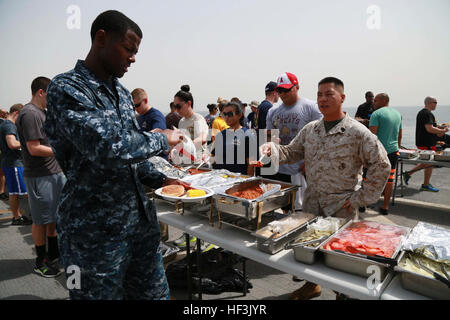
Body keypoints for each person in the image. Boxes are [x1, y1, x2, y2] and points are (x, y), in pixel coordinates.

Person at [44, 10, 185, 299]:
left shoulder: (121, 93)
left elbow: (132, 161)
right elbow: (109, 148)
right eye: (128, 49)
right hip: (91, 233)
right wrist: (161, 140)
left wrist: (166, 180)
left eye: (135, 52)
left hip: (139, 226)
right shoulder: (66, 87)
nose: (133, 58)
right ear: (101, 38)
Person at [260, 77, 390, 300]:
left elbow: (382, 164)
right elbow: (291, 153)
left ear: (342, 97)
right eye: (319, 94)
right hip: (312, 202)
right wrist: (272, 148)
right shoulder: (311, 129)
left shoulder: (357, 132)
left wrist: (362, 197)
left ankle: (343, 295)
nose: (323, 99)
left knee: (340, 257)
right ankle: (312, 286)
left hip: (342, 207)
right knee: (310, 251)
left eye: (329, 94)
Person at [16, 77, 65, 278]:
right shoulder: (29, 114)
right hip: (40, 175)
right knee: (40, 219)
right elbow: (33, 148)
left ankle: (53, 252)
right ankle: (40, 260)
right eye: (50, 95)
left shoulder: (42, 113)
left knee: (53, 216)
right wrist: (60, 150)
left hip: (53, 172)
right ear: (41, 92)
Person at [266, 72, 322, 211]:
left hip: (303, 167)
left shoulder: (311, 107)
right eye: (279, 90)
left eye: (286, 89)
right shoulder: (273, 111)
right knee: (284, 206)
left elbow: (324, 136)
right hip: (280, 167)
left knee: (303, 208)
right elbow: (270, 136)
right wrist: (271, 143)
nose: (283, 94)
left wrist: (311, 161)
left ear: (296, 87)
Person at [402, 96, 449, 192]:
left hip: (424, 141)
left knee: (426, 163)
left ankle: (409, 174)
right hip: (426, 142)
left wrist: (440, 126)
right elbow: (429, 128)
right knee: (429, 163)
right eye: (435, 102)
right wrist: (443, 130)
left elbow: (430, 126)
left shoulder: (423, 113)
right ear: (429, 103)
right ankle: (425, 184)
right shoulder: (427, 114)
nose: (436, 104)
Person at [369, 93, 402, 215]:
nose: (374, 103)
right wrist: (397, 148)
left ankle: (363, 204)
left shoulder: (376, 114)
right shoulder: (398, 114)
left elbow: (372, 137)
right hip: (393, 152)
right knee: (390, 179)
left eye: (376, 100)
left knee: (368, 177)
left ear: (383, 101)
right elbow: (399, 135)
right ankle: (385, 206)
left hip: (378, 152)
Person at [0, 104, 31, 225]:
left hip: (9, 163)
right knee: (26, 192)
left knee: (14, 193)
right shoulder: (9, 125)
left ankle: (17, 217)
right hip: (14, 164)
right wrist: (28, 143)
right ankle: (38, 216)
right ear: (16, 113)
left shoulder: (4, 125)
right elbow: (12, 144)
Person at [211, 101, 256, 175]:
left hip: (238, 180)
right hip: (220, 179)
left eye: (230, 114)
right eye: (224, 114)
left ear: (239, 115)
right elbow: (215, 158)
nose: (226, 117)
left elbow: (250, 165)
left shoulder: (248, 136)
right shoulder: (220, 135)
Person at [174, 84, 209, 162]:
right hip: (185, 162)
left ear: (189, 103)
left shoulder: (197, 119)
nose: (176, 110)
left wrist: (184, 147)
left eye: (179, 106)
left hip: (198, 162)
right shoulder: (181, 122)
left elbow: (202, 138)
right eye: (175, 107)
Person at [0, 109, 8, 200]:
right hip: (3, 151)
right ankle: (1, 191)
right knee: (2, 173)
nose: (6, 114)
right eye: (5, 113)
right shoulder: (4, 123)